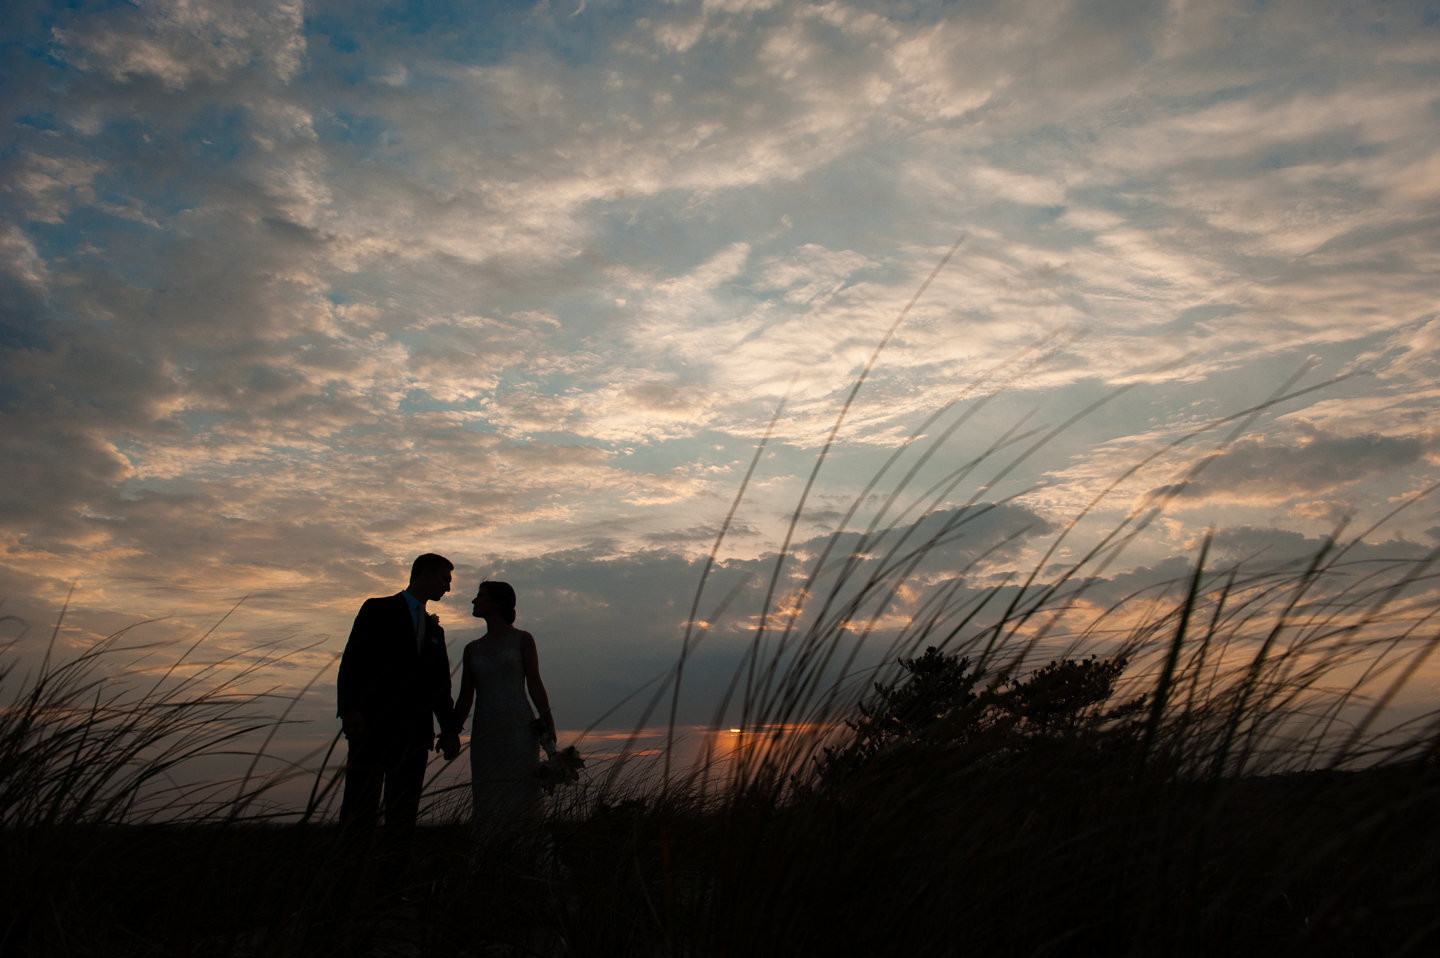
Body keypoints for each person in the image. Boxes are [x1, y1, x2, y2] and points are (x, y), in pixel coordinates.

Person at [336, 553, 460, 878]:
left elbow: (439, 683)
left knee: (403, 813)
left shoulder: (436, 631)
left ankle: (390, 889)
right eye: (445, 579)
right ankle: (341, 887)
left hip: (416, 734)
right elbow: (353, 660)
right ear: (427, 573)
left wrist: (449, 728)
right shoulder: (377, 609)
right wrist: (350, 710)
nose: (448, 588)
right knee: (359, 810)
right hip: (372, 728)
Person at [447, 580, 555, 835]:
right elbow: (465, 696)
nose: (474, 601)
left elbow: (535, 683)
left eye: (480, 596)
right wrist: (451, 730)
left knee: (520, 791)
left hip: (519, 729)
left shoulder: (522, 639)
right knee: (488, 794)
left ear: (496, 603)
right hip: (485, 732)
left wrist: (547, 721)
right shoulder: (472, 649)